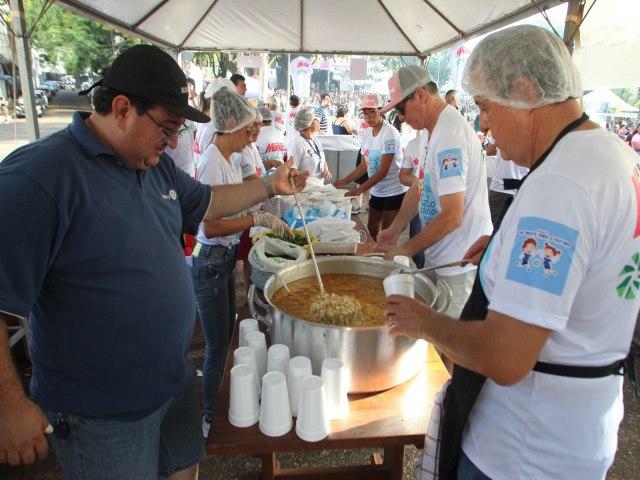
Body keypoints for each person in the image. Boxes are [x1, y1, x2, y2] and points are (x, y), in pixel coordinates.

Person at [0, 44, 306, 478]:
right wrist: (8, 409)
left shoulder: (153, 165)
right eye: (167, 128)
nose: (175, 142)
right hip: (102, 413)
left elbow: (209, 201)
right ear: (122, 108)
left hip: (173, 381)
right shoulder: (41, 177)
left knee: (184, 470)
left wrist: (269, 186)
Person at [383, 25, 640, 479]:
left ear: (523, 91)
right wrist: (502, 250)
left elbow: (505, 355)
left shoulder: (560, 185)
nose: (483, 124)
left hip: (523, 450)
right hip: (578, 432)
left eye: (485, 107)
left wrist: (424, 322)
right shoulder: (611, 156)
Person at [193, 93, 291, 439]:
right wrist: (253, 218)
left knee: (224, 340)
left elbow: (241, 193)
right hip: (209, 262)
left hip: (222, 260)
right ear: (230, 124)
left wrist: (268, 188)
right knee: (218, 346)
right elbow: (209, 226)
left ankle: (213, 409)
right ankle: (208, 419)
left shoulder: (229, 157)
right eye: (248, 127)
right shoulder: (212, 163)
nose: (253, 134)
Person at [376, 66, 491, 318]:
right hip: (439, 253)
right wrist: (395, 229)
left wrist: (407, 249)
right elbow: (420, 186)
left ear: (420, 95)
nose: (401, 117)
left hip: (459, 262)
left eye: (401, 109)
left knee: (447, 344)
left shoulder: (450, 134)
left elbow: (453, 215)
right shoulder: (432, 131)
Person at [333, 94, 407, 241]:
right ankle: (378, 256)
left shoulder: (389, 133)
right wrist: (344, 181)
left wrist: (359, 190)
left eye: (372, 112)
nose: (368, 117)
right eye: (365, 113)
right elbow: (363, 165)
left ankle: (386, 260)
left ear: (381, 111)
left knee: (386, 235)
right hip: (377, 191)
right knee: (372, 230)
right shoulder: (366, 134)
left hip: (393, 191)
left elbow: (383, 171)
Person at [485, 133, 528, 227]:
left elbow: (489, 151)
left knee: (495, 233)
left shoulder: (500, 125)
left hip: (501, 187)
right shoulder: (533, 127)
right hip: (524, 188)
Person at [289, 107, 331, 180]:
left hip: (318, 187)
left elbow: (321, 157)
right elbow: (293, 170)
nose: (318, 122)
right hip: (306, 188)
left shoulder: (315, 139)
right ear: (309, 124)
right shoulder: (298, 143)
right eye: (315, 119)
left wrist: (326, 169)